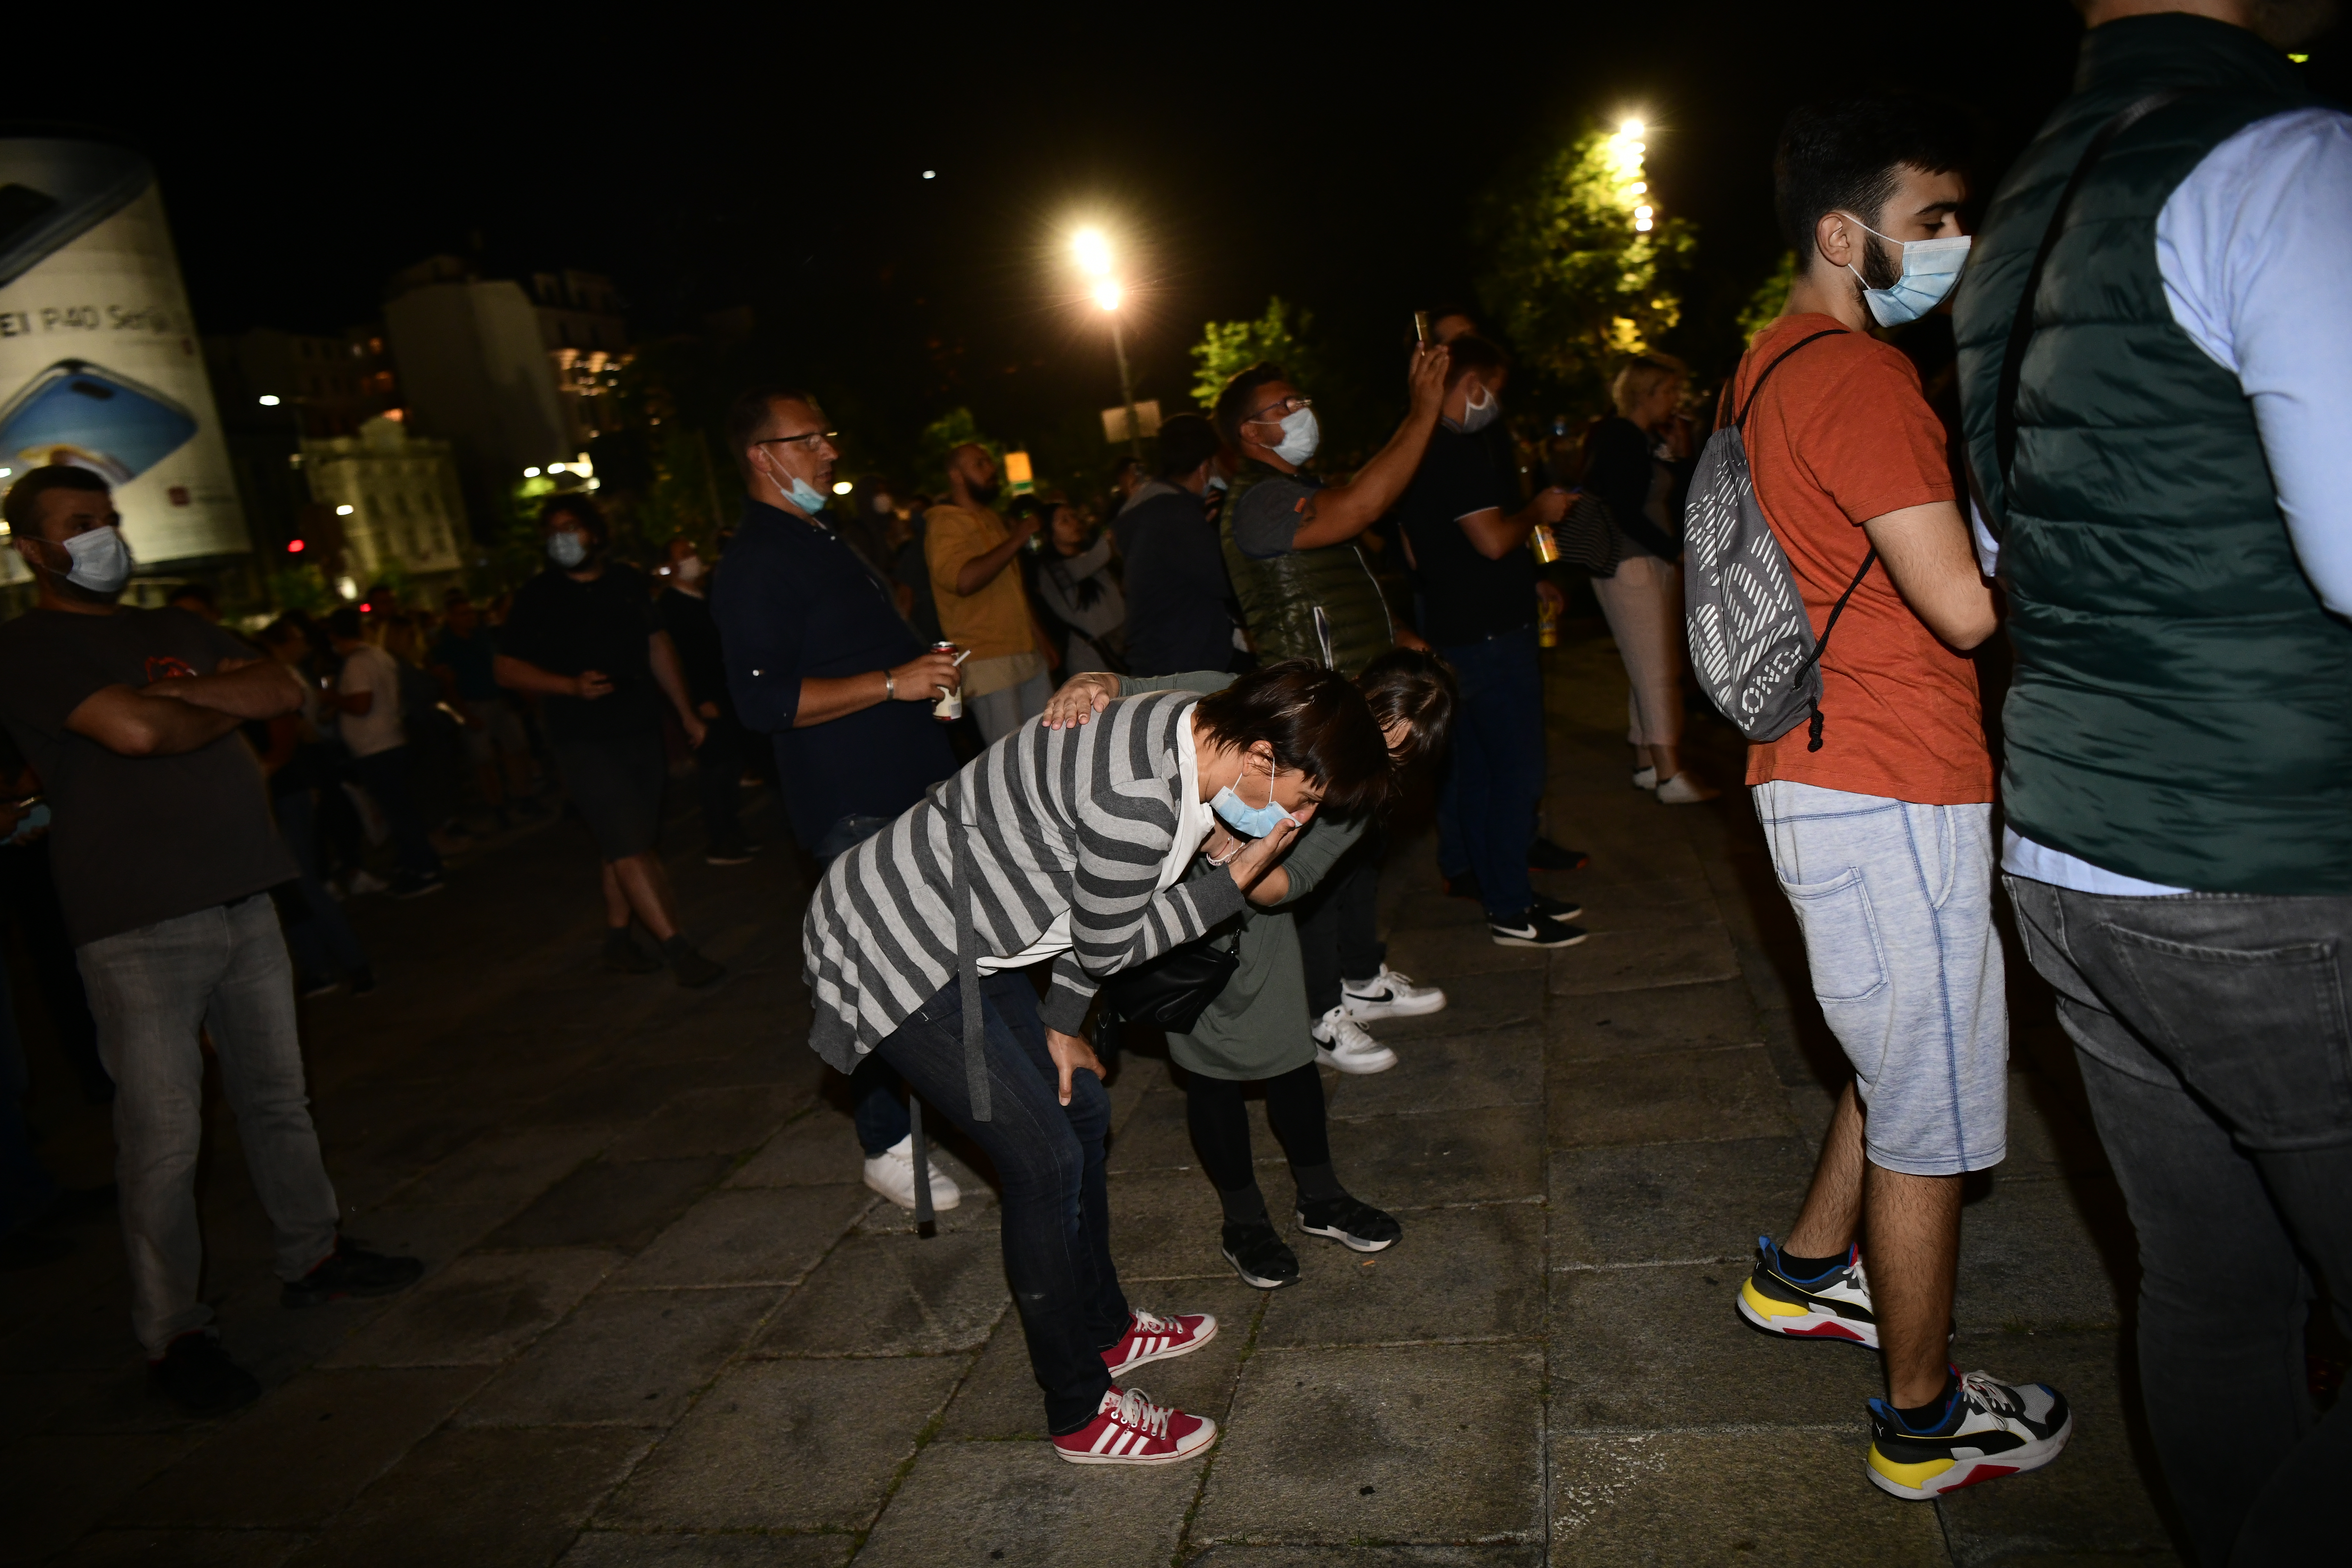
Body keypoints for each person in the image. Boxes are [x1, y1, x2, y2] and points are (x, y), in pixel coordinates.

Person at [1952, 4, 2349, 1557]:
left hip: (2070, 848)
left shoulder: (2015, 218)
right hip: (2267, 855)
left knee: (2214, 1298)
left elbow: (2005, 557)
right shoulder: (2281, 159)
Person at [1724, 96, 2069, 1505]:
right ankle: (1921, 1420)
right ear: (1840, 230)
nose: (1955, 243)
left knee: (1891, 1037)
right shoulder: (1862, 379)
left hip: (1815, 763)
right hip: (1889, 775)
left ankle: (1806, 1270)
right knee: (1929, 1106)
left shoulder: (1767, 360)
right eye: (1931, 219)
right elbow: (1962, 611)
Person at [803, 661, 1394, 1463]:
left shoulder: (1197, 727)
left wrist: (1059, 1022)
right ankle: (1080, 1412)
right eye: (1307, 793)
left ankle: (1109, 1332)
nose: (1304, 812)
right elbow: (1112, 943)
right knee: (1042, 1160)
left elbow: (1096, 899)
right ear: (1261, 758)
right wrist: (1233, 882)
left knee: (1080, 1105)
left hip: (975, 928)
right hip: (901, 944)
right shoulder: (1141, 799)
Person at [0, 464, 420, 1413]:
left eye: (108, 518)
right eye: (77, 524)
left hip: (245, 893)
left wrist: (200, 700)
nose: (104, 535)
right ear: (34, 549)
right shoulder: (26, 646)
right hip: (138, 921)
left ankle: (312, 1250)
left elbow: (284, 690)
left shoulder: (171, 627)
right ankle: (174, 1331)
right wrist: (209, 701)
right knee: (162, 1136)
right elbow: (134, 731)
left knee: (280, 1098)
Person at [1042, 650, 1457, 1288]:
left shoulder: (1359, 794)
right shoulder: (1258, 706)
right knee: (1209, 1073)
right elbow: (1134, 687)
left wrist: (1242, 854)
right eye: (1371, 732)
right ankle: (1243, 1221)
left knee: (1291, 1060)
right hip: (1173, 914)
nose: (1370, 757)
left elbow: (1294, 881)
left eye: (1393, 755)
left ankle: (1320, 1197)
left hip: (1256, 926)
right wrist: (1085, 684)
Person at [708, 385, 966, 1212]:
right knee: (887, 976)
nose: (828, 449)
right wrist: (894, 681)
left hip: (902, 784)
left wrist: (915, 665)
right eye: (808, 437)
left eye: (828, 432)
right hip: (853, 802)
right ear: (764, 455)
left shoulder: (820, 535)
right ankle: (886, 1140)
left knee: (936, 964)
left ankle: (946, 1111)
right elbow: (764, 701)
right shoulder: (756, 561)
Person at [1212, 347, 1453, 1065]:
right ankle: (1319, 1013)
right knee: (1314, 866)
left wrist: (1399, 642)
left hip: (1347, 700)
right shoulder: (1256, 501)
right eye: (1283, 407)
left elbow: (1334, 585)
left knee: (1357, 852)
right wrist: (1421, 414)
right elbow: (1362, 508)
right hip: (1309, 713)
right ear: (1250, 434)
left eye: (1298, 399)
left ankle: (1360, 976)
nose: (1300, 413)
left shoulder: (1293, 487)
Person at [1394, 334, 1588, 950]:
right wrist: (1539, 507)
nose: (1493, 404)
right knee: (1516, 775)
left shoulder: (1413, 451)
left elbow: (1412, 551)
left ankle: (1506, 897)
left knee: (1477, 774)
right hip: (1490, 638)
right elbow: (1493, 540)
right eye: (1493, 391)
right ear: (1471, 384)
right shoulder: (1457, 452)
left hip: (1456, 628)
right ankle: (1511, 905)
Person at [493, 496, 724, 988]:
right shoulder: (537, 595)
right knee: (629, 844)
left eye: (571, 526)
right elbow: (506, 667)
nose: (563, 537)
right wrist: (569, 686)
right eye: (553, 530)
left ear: (594, 533)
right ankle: (677, 945)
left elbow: (657, 646)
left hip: (639, 726)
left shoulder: (625, 581)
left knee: (627, 837)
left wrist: (684, 710)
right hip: (583, 738)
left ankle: (618, 939)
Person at [1581, 354, 1716, 804]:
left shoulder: (1639, 437)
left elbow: (1668, 489)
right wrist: (1672, 550)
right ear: (1646, 392)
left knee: (1650, 665)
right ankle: (1669, 774)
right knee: (1657, 669)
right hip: (1630, 563)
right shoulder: (1620, 435)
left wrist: (1678, 453)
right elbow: (1623, 507)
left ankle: (1645, 762)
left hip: (1645, 562)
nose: (1674, 400)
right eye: (1669, 391)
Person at [252, 618, 372, 996]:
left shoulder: (263, 690)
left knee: (302, 882)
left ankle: (350, 965)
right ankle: (321, 968)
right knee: (288, 887)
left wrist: (261, 774)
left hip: (284, 794)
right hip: (278, 794)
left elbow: (287, 742)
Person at [925, 443, 1056, 741]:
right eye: (980, 464)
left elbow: (1014, 587)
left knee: (1052, 743)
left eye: (990, 462)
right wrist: (1018, 538)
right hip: (987, 660)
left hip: (1025, 651)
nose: (991, 469)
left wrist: (1041, 638)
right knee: (1011, 759)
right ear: (957, 476)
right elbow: (964, 581)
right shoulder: (944, 524)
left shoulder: (990, 517)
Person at [324, 607, 444, 899]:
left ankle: (423, 868)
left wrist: (333, 699)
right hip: (391, 739)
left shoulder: (358, 664)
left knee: (398, 811)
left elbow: (362, 704)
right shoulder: (380, 656)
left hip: (376, 746)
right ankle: (420, 863)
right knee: (403, 808)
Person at [1113, 413, 1243, 678]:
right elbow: (1228, 581)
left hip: (1162, 659)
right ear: (1206, 466)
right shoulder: (1175, 514)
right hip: (1183, 666)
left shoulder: (1145, 506)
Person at [656, 537, 755, 866]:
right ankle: (720, 838)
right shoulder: (670, 606)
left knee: (731, 765)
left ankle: (733, 831)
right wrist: (697, 701)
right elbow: (679, 660)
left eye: (693, 551)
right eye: (684, 554)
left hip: (726, 696)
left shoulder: (703, 597)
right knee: (717, 770)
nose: (693, 558)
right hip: (706, 702)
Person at [430, 591, 536, 824]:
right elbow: (448, 685)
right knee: (483, 761)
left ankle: (524, 795)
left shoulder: (483, 636)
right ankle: (497, 806)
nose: (469, 618)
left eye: (470, 612)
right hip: (474, 703)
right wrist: (466, 714)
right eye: (463, 614)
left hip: (498, 698)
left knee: (517, 749)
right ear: (451, 618)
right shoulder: (446, 646)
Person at [1021, 498, 1125, 674]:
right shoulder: (1052, 572)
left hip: (1121, 652)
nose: (1074, 523)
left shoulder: (1088, 560)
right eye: (1064, 521)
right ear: (1048, 533)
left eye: (1074, 517)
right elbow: (1102, 553)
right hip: (1092, 662)